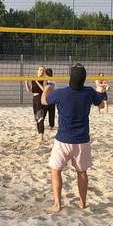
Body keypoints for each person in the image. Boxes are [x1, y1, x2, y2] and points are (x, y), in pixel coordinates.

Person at [42, 64, 105, 213]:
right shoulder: (89, 92)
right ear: (84, 79)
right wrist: (99, 91)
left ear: (70, 77)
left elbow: (44, 101)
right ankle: (82, 204)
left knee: (55, 170)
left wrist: (47, 88)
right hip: (82, 140)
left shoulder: (60, 93)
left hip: (63, 140)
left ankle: (57, 204)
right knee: (82, 172)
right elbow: (101, 105)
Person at [25, 66, 48, 142]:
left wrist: (37, 81)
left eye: (43, 70)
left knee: (40, 117)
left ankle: (41, 136)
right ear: (37, 71)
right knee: (37, 118)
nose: (41, 71)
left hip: (40, 98)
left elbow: (44, 90)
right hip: (34, 98)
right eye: (40, 70)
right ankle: (39, 135)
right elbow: (29, 90)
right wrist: (26, 82)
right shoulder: (33, 79)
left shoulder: (44, 79)